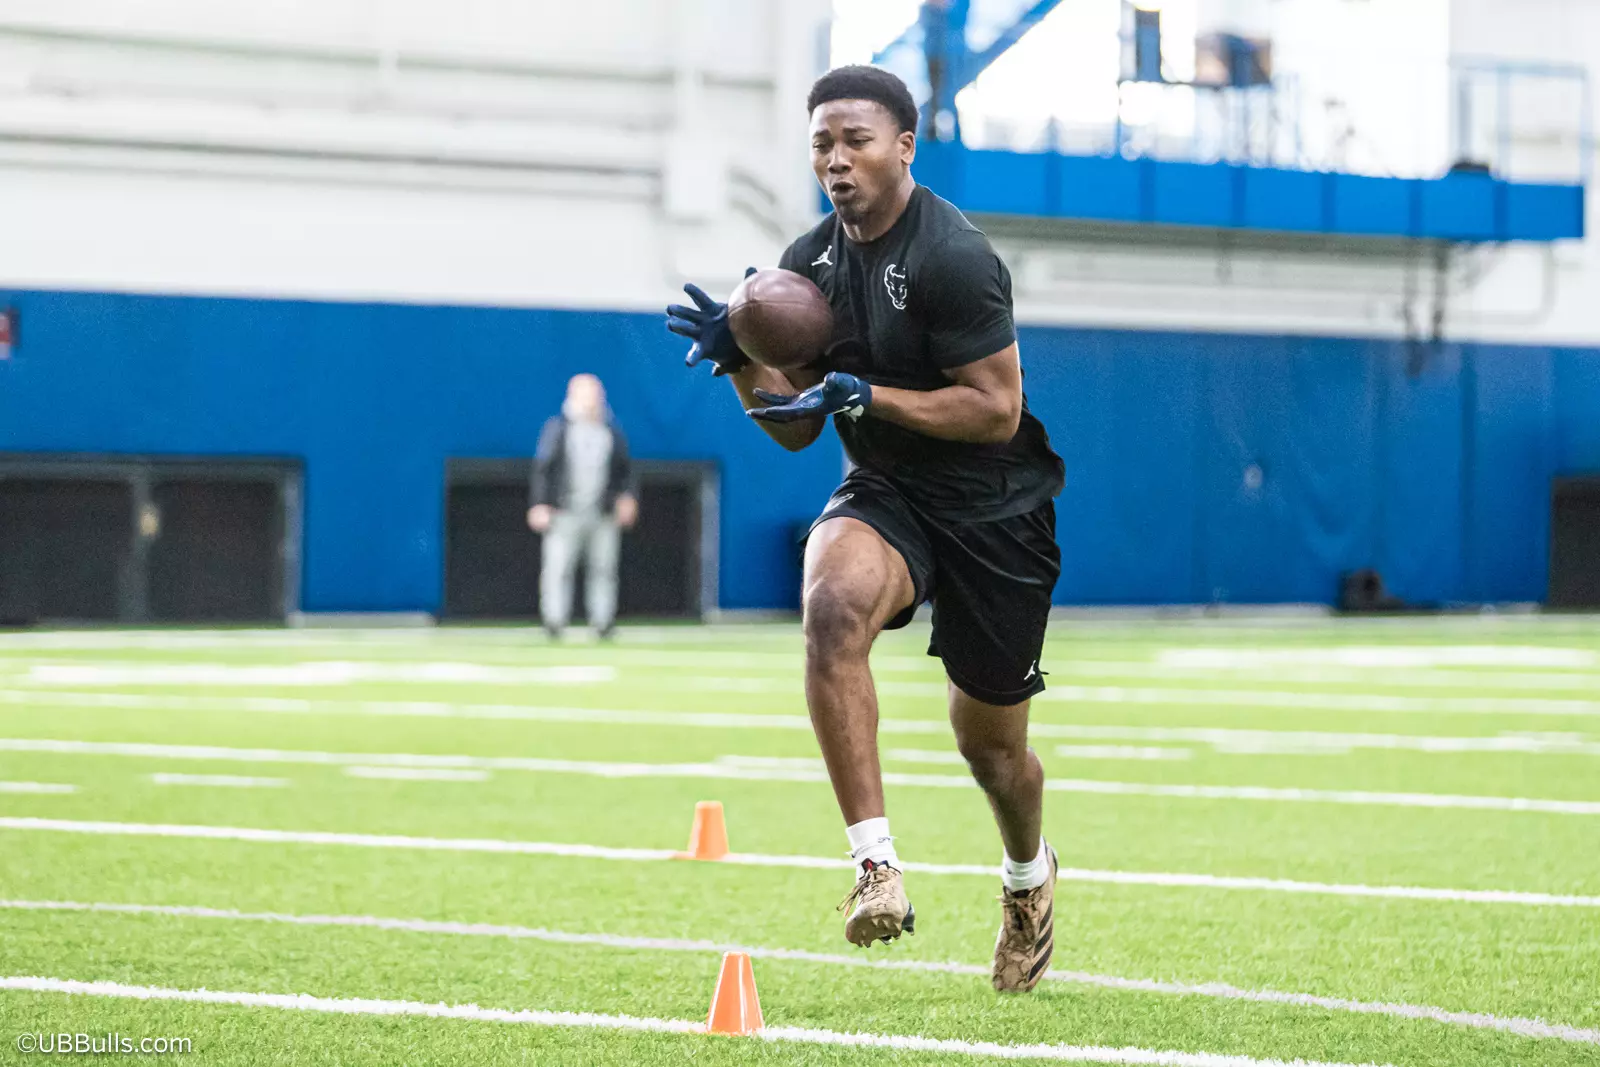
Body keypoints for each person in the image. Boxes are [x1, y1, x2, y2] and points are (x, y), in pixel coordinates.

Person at [665, 65, 1066, 993]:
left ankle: (1027, 877)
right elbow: (798, 429)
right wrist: (741, 358)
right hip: (886, 489)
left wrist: (868, 395)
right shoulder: (804, 266)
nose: (836, 160)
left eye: (856, 140)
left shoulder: (954, 256)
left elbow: (996, 409)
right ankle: (875, 865)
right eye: (821, 144)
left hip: (995, 507)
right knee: (831, 602)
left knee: (992, 751)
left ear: (905, 147)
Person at [527, 373, 638, 640]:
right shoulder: (558, 429)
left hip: (602, 512)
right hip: (564, 512)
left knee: (604, 568)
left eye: (595, 394)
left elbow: (626, 470)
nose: (591, 400)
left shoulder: (611, 431)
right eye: (586, 394)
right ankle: (554, 620)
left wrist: (627, 497)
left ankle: (602, 621)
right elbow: (543, 469)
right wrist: (540, 504)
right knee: (558, 567)